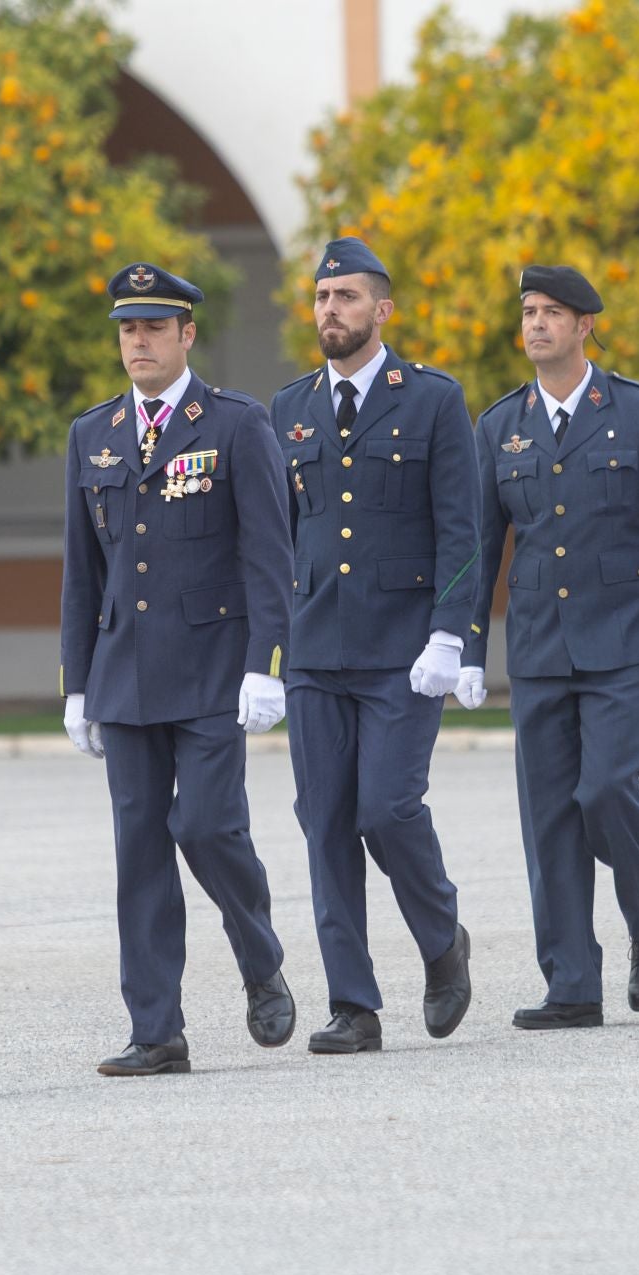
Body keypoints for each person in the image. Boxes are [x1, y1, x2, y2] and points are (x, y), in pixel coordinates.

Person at [456, 265, 639, 1029]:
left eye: (552, 313)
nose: (536, 323)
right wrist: (472, 646)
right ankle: (572, 981)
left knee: (606, 790)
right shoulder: (500, 425)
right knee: (550, 821)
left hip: (624, 643)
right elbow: (481, 545)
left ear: (584, 326)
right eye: (529, 311)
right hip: (539, 649)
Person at [59, 263, 295, 1076]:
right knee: (139, 852)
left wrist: (268, 664)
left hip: (211, 670)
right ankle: (156, 1028)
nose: (139, 342)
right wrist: (77, 682)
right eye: (128, 329)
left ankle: (260, 959)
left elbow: (269, 554)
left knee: (205, 826)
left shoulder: (233, 424)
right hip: (126, 676)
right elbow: (82, 572)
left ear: (187, 335)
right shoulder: (92, 434)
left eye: (154, 328)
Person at [270, 238, 480, 1054]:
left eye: (348, 297)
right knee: (324, 821)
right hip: (317, 649)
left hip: (403, 648)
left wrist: (450, 635)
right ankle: (352, 1003)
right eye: (323, 297)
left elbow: (461, 528)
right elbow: (276, 540)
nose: (332, 310)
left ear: (382, 310)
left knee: (388, 808)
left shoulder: (430, 400)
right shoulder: (288, 409)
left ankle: (441, 941)